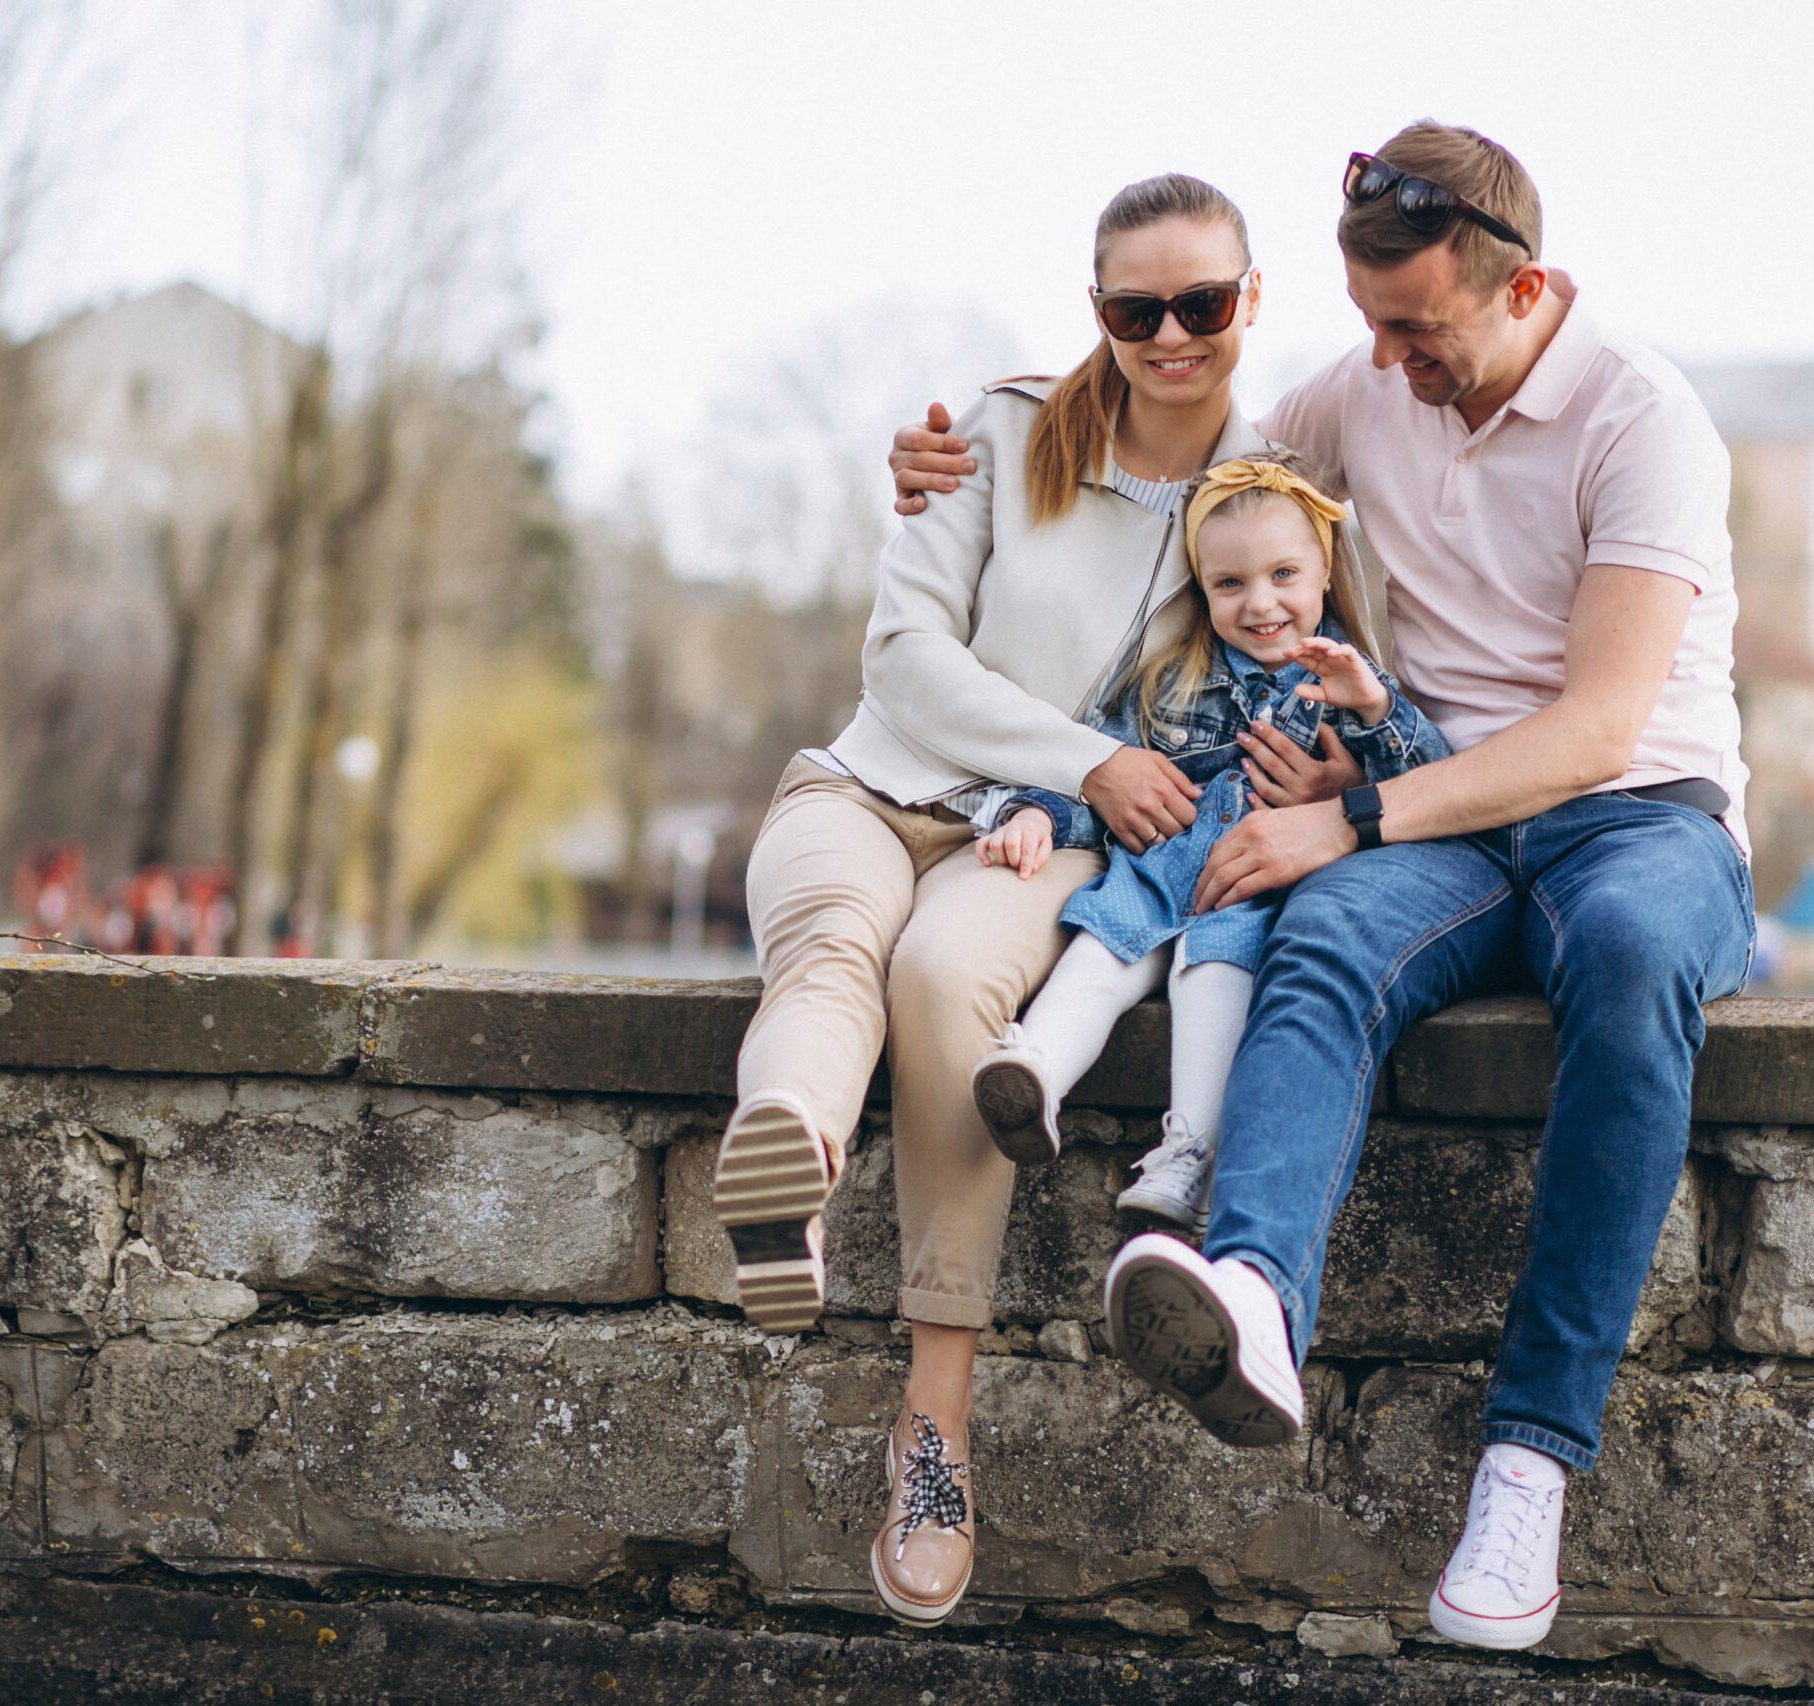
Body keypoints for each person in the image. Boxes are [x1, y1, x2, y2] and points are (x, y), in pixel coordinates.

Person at [889, 122, 1753, 1653]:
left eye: (1418, 331)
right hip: (1435, 830)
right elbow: (1183, 467)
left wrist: (1351, 818)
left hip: (1635, 817)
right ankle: (1257, 1304)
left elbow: (1599, 728)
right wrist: (967, 465)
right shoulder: (1365, 389)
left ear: (1525, 285)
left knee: (1626, 965)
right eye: (1368, 330)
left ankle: (1527, 1462)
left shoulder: (1645, 419)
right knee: (1320, 954)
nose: (1385, 369)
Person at [719, 172, 1285, 1630]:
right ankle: (784, 1180)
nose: (1171, 335)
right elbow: (905, 654)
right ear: (1094, 308)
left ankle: (934, 1430)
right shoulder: (1003, 432)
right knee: (835, 937)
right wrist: (1091, 756)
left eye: (1202, 305)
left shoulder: (1268, 494)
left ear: (1250, 301)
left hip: (1039, 850)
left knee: (941, 981)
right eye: (1135, 308)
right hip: (868, 784)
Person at [965, 451, 1447, 1234]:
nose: (1260, 604)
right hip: (1153, 871)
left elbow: (1430, 784)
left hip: (1249, 894)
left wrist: (1373, 706)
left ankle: (1187, 1154)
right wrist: (1039, 816)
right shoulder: (1169, 677)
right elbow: (1097, 763)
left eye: (1283, 575)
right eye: (1230, 584)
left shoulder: (1350, 682)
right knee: (1097, 949)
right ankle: (1034, 1075)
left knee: (1211, 970)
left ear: (1324, 571)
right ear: (1202, 587)